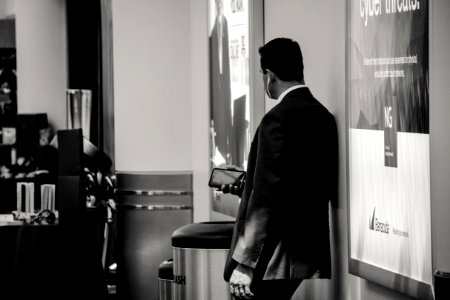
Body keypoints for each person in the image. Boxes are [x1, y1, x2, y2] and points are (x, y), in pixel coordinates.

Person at [222, 38, 338, 299]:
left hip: (273, 258)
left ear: (269, 75)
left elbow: (266, 197)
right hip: (310, 256)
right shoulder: (324, 118)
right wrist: (245, 184)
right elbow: (313, 183)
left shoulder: (276, 120)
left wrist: (245, 264)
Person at [210, 0, 232, 165]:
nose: (219, 6)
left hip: (223, 75)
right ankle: (218, 148)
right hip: (215, 73)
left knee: (224, 108)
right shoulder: (213, 24)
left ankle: (225, 149)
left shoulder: (223, 22)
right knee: (217, 108)